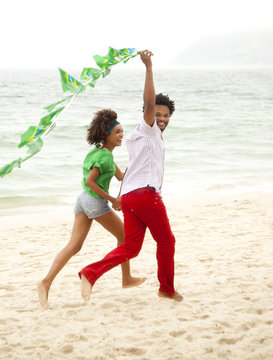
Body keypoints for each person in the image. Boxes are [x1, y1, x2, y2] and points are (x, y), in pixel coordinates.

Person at [78, 49, 183, 302]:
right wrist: (148, 67)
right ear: (148, 114)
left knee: (131, 248)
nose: (161, 118)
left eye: (166, 115)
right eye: (157, 114)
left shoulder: (145, 136)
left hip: (129, 198)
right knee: (167, 241)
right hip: (145, 196)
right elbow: (148, 103)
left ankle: (90, 273)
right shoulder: (146, 130)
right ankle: (166, 289)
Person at [37, 109, 145, 307]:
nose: (121, 135)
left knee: (74, 246)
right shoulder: (105, 157)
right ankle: (126, 278)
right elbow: (91, 181)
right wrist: (113, 199)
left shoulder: (101, 152)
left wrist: (138, 160)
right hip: (94, 202)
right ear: (106, 135)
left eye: (122, 131)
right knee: (126, 238)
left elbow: (122, 177)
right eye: (117, 132)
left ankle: (45, 283)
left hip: (82, 200)